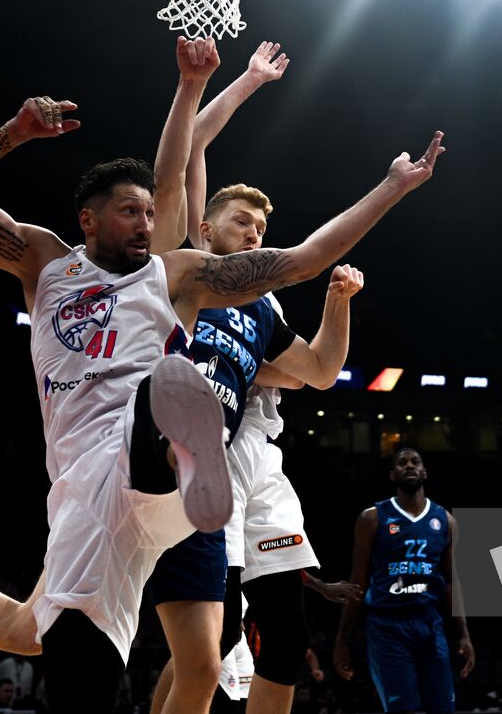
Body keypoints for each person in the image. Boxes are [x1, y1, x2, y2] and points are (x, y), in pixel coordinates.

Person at [0, 35, 447, 713]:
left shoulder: (176, 275)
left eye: (150, 212)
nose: (145, 223)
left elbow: (303, 260)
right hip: (87, 484)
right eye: (129, 211)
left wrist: (392, 187)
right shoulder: (44, 262)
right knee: (33, 634)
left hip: (164, 483)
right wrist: (12, 135)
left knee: (201, 653)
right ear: (88, 219)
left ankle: (177, 438)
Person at [145, 42, 364, 714]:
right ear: (204, 225)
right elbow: (189, 148)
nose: (253, 232)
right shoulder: (184, 271)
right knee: (208, 645)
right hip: (187, 451)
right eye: (241, 221)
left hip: (254, 453)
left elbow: (316, 373)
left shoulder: (263, 306)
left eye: (262, 227)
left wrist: (337, 301)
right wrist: (246, 81)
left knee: (285, 635)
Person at [334, 447, 475, 714]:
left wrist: (463, 634)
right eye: (402, 463)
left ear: (424, 472)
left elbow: (450, 582)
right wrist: (342, 637)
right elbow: (357, 582)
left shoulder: (446, 521)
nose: (409, 466)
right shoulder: (372, 518)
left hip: (429, 624)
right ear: (392, 475)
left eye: (415, 462)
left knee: (443, 709)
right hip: (387, 626)